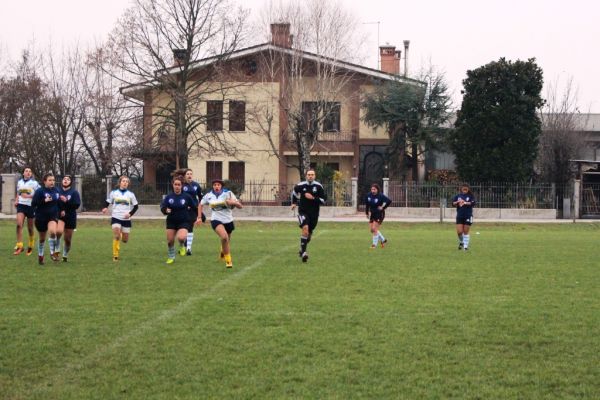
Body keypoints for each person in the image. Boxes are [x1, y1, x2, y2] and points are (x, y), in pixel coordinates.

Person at [199, 179, 242, 268]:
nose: (216, 186)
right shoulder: (209, 195)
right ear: (213, 186)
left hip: (228, 220)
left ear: (221, 186)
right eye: (215, 185)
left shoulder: (228, 193)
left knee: (226, 240)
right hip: (216, 220)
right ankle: (228, 260)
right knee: (224, 237)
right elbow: (200, 204)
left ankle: (223, 252)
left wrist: (232, 202)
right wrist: (199, 217)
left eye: (218, 185)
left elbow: (240, 206)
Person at [160, 175, 201, 264]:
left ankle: (182, 245)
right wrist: (165, 210)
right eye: (175, 184)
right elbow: (163, 207)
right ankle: (171, 257)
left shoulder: (186, 196)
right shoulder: (169, 197)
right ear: (173, 185)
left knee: (181, 238)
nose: (177, 186)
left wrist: (200, 217)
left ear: (181, 185)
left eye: (179, 185)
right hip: (171, 221)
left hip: (184, 220)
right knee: (170, 241)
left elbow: (195, 207)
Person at [291, 169, 327, 263]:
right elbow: (294, 193)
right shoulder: (300, 185)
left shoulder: (319, 186)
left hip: (314, 214)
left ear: (315, 176)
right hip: (303, 212)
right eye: (309, 174)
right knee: (305, 229)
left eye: (312, 174)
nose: (310, 176)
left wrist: (313, 198)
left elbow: (323, 200)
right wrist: (294, 203)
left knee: (309, 236)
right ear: (306, 176)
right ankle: (304, 253)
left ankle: (301, 248)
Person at [102, 176, 139, 261]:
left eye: (127, 181)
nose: (125, 183)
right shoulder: (113, 193)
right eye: (123, 181)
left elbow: (136, 207)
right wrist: (105, 207)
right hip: (116, 217)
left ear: (128, 184)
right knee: (117, 236)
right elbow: (108, 202)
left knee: (125, 240)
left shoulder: (131, 194)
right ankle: (115, 256)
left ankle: (121, 234)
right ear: (120, 182)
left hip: (126, 219)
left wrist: (130, 214)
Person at [31, 173, 60, 265]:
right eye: (50, 180)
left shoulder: (56, 190)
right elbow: (33, 204)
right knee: (42, 239)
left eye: (53, 180)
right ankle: (40, 255)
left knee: (52, 232)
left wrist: (62, 209)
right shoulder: (40, 191)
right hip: (41, 217)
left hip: (52, 216)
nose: (52, 182)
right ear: (45, 181)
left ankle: (52, 252)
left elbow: (59, 202)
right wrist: (44, 201)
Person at [13, 167, 40, 256]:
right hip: (21, 206)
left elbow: (39, 194)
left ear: (31, 174)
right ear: (23, 173)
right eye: (26, 171)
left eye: (29, 171)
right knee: (18, 225)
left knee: (30, 228)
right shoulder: (19, 182)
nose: (28, 172)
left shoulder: (34, 183)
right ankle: (20, 246)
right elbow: (18, 193)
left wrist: (28, 197)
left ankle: (31, 244)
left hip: (31, 207)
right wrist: (17, 200)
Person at [55, 175, 81, 262]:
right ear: (62, 181)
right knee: (58, 231)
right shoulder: (57, 191)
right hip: (60, 216)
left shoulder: (74, 192)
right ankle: (57, 248)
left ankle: (65, 254)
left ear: (71, 182)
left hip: (70, 217)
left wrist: (67, 201)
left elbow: (76, 205)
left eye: (68, 179)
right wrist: (61, 210)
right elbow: (55, 203)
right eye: (64, 179)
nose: (66, 180)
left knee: (68, 239)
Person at [180, 168, 205, 256]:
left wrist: (199, 207)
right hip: (183, 210)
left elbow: (201, 197)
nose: (189, 175)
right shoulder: (181, 185)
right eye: (187, 174)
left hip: (193, 210)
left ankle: (188, 248)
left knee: (190, 227)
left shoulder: (196, 185)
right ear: (184, 176)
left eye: (191, 174)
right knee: (183, 229)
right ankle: (183, 246)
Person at [365, 183, 392, 249]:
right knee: (372, 230)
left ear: (377, 190)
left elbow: (389, 201)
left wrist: (383, 207)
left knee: (374, 229)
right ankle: (383, 240)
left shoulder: (381, 196)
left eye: (374, 189)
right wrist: (367, 213)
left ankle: (374, 245)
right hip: (373, 214)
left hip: (379, 214)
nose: (373, 190)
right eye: (372, 189)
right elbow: (367, 205)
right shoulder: (368, 195)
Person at [451, 183, 477, 251]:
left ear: (468, 189)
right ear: (461, 189)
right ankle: (462, 242)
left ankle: (465, 247)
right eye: (463, 188)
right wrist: (457, 202)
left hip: (468, 215)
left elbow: (473, 203)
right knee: (459, 232)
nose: (465, 189)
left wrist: (465, 202)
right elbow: (453, 203)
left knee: (465, 231)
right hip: (460, 215)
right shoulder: (458, 196)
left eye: (466, 188)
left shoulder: (471, 196)